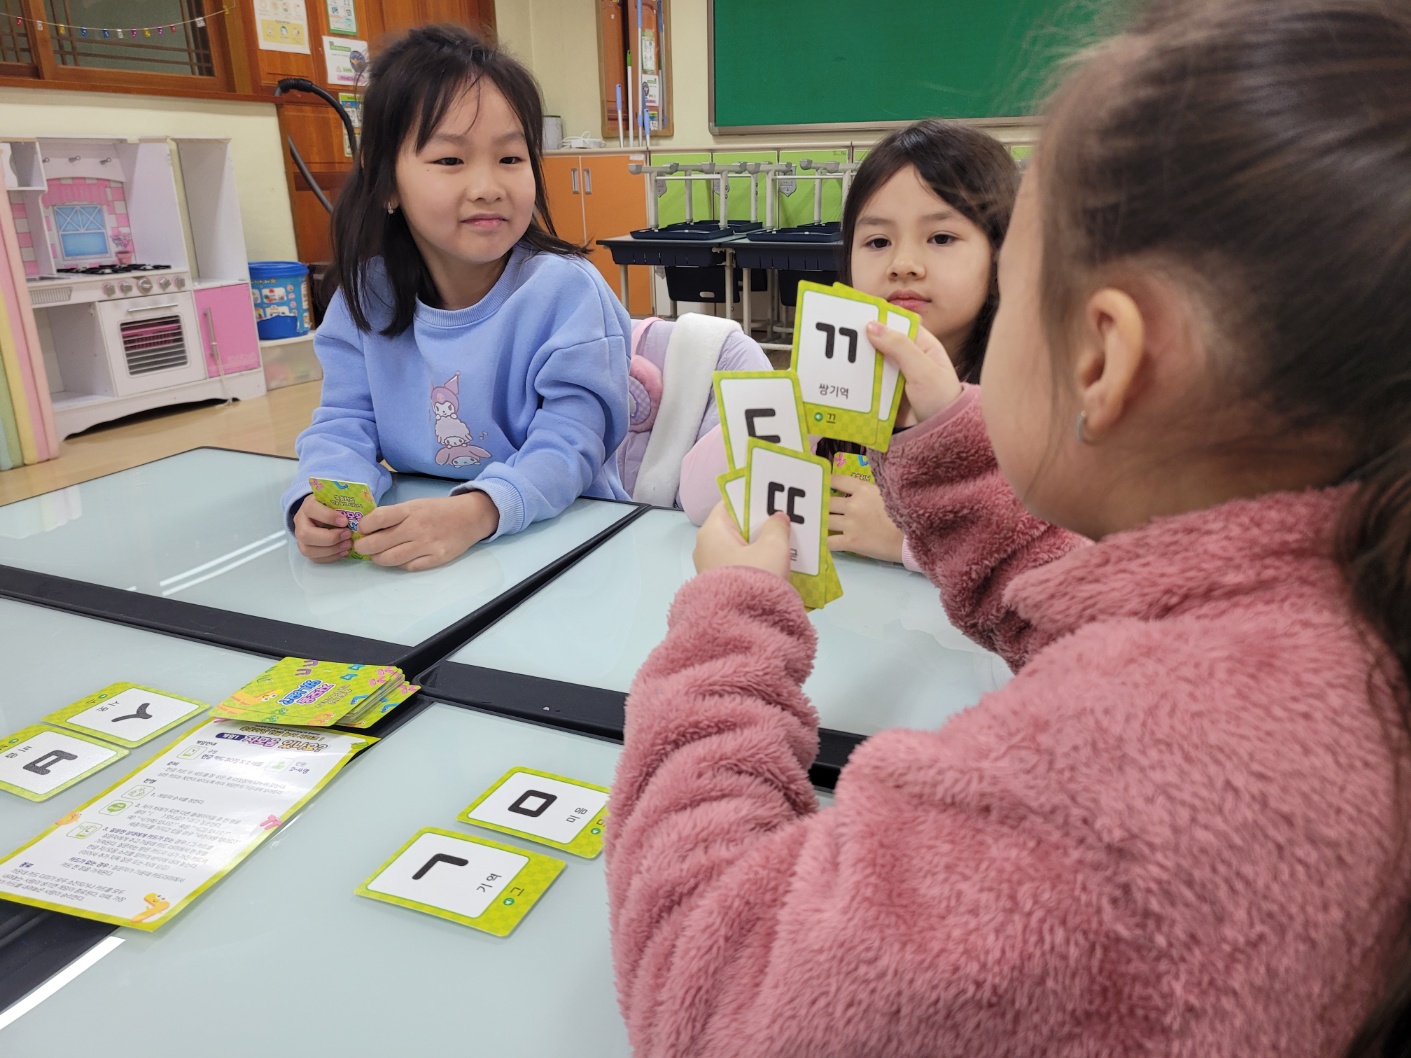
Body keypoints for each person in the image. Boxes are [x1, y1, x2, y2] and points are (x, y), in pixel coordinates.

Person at [606, 1, 1411, 1054]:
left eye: (1011, 271)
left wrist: (728, 623)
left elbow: (720, 988)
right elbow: (1088, 607)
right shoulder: (1335, 601)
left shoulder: (1121, 774)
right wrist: (948, 439)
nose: (905, 264)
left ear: (1102, 357)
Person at [281, 25, 630, 571]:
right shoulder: (364, 297)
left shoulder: (565, 292)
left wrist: (477, 512)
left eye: (511, 159)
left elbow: (571, 445)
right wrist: (322, 497)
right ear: (387, 184)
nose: (489, 185)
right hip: (425, 551)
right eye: (450, 161)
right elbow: (344, 421)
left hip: (562, 545)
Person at [677, 121, 1018, 571]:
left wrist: (906, 538)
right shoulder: (835, 377)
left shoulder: (1022, 399)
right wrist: (801, 398)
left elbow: (1047, 550)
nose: (903, 265)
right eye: (877, 241)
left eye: (941, 238)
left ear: (1002, 254)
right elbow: (697, 499)